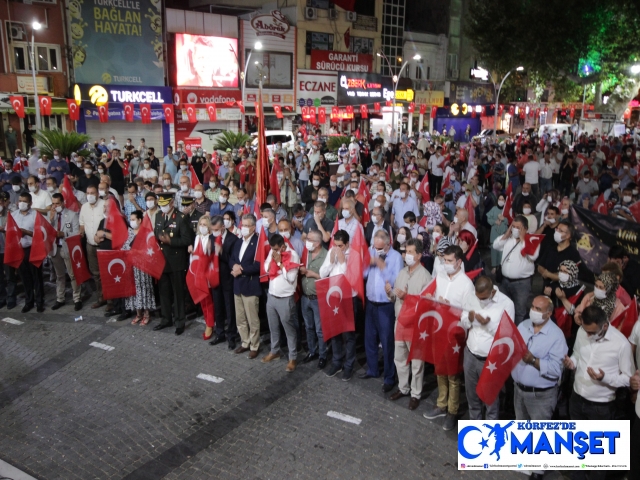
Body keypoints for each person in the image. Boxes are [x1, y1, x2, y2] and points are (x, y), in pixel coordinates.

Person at [563, 305, 634, 478]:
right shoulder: (582, 331)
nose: (587, 335)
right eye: (586, 331)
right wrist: (572, 363)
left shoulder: (621, 344)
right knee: (578, 446)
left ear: (604, 326)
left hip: (601, 407)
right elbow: (578, 354)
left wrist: (605, 378)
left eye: (592, 332)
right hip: (577, 398)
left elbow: (628, 378)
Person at [423, 245, 479, 431]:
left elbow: (468, 313)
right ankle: (441, 404)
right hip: (439, 328)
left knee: (453, 374)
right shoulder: (440, 276)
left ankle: (452, 411)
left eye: (449, 261)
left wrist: (451, 308)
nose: (446, 264)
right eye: (444, 261)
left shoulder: (466, 284)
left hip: (454, 333)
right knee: (439, 368)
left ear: (459, 262)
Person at [512, 296, 568, 480]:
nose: (533, 310)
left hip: (541, 395)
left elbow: (555, 370)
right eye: (533, 306)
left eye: (538, 308)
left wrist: (534, 361)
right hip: (519, 389)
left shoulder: (556, 336)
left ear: (549, 313)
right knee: (523, 426)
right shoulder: (523, 326)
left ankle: (538, 470)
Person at [462, 276, 515, 420]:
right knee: (472, 398)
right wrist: (470, 319)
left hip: (490, 360)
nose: (480, 301)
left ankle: (490, 435)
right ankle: (475, 430)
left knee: (490, 401)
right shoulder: (471, 297)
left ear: (492, 292)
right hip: (470, 355)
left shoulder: (506, 304)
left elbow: (506, 336)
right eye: (478, 297)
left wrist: (487, 324)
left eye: (484, 298)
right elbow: (463, 321)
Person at [388, 238, 431, 410]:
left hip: (415, 325)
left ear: (419, 255)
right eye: (406, 251)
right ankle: (403, 388)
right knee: (400, 358)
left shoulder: (426, 277)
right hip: (400, 322)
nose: (407, 255)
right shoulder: (402, 273)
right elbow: (394, 298)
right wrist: (390, 294)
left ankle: (415, 394)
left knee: (417, 362)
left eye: (411, 252)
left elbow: (426, 305)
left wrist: (407, 298)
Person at [360, 230, 404, 391]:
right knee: (369, 339)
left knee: (387, 342)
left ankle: (389, 377)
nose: (376, 250)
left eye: (379, 248)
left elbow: (396, 280)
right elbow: (364, 275)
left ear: (387, 244)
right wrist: (368, 264)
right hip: (371, 302)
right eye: (374, 247)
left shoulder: (396, 257)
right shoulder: (371, 251)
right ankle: (372, 369)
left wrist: (382, 266)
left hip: (386, 305)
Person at [319, 229, 359, 381]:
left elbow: (350, 280)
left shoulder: (354, 255)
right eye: (335, 245)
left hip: (348, 298)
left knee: (348, 335)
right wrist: (330, 261)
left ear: (347, 244)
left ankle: (348, 366)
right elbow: (322, 274)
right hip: (333, 298)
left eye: (340, 246)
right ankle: (337, 362)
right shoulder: (332, 252)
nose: (337, 248)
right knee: (335, 333)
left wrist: (342, 262)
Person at [152, 193, 194, 336]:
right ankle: (166, 319)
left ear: (171, 204)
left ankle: (179, 321)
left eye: (164, 205)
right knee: (164, 292)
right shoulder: (159, 216)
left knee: (178, 293)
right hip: (162, 261)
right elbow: (155, 234)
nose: (162, 207)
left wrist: (171, 242)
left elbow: (187, 239)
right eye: (161, 205)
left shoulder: (181, 218)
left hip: (176, 261)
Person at [261, 233, 300, 372]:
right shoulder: (273, 251)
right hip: (272, 296)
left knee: (289, 329)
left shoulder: (293, 255)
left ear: (283, 246)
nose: (274, 251)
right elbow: (266, 267)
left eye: (276, 249)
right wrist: (272, 262)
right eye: (272, 249)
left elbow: (290, 277)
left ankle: (292, 357)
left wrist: (279, 263)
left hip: (285, 298)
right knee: (273, 327)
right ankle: (274, 351)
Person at [492, 215, 540, 325]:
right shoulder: (508, 239)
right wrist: (507, 233)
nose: (515, 229)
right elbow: (495, 245)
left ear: (525, 229)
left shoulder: (532, 241)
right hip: (505, 281)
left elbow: (533, 256)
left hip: (522, 284)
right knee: (502, 307)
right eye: (513, 226)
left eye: (518, 227)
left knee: (519, 311)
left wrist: (523, 239)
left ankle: (518, 333)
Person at [229, 214, 262, 358]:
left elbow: (259, 266)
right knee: (240, 318)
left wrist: (241, 269)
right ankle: (245, 342)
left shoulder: (258, 243)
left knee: (252, 319)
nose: (243, 228)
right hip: (237, 285)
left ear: (253, 228)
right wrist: (234, 265)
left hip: (250, 284)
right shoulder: (238, 241)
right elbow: (232, 258)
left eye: (247, 226)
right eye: (242, 225)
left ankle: (255, 345)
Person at [299, 230, 328, 369]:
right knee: (308, 327)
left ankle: (323, 355)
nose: (307, 241)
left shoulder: (326, 256)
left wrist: (314, 275)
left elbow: (330, 279)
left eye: (309, 239)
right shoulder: (306, 253)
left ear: (317, 243)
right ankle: (312, 351)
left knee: (320, 330)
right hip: (305, 297)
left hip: (318, 298)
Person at [210, 215, 239, 349]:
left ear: (223, 227)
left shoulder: (233, 239)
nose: (214, 231)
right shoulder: (211, 238)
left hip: (228, 279)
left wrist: (221, 252)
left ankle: (231, 335)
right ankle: (220, 332)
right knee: (218, 307)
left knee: (230, 309)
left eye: (216, 229)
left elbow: (233, 261)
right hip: (215, 278)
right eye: (212, 229)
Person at [49, 194, 82, 311]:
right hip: (55, 248)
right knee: (59, 275)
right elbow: (47, 231)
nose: (55, 206)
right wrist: (51, 219)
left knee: (72, 275)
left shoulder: (72, 215)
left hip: (67, 247)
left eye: (57, 203)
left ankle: (77, 298)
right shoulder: (51, 215)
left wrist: (64, 234)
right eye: (53, 203)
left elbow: (76, 233)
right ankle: (60, 298)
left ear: (62, 203)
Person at [123, 210, 156, 326]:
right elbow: (124, 247)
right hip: (131, 268)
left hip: (143, 268)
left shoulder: (146, 233)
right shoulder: (129, 233)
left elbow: (150, 249)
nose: (131, 222)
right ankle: (138, 313)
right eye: (130, 219)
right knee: (133, 290)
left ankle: (147, 314)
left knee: (144, 290)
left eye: (133, 219)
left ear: (140, 220)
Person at [79, 185, 106, 308]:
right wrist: (80, 232)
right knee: (96, 274)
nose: (90, 195)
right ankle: (101, 298)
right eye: (88, 192)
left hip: (104, 246)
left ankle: (111, 301)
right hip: (90, 245)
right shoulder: (84, 207)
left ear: (97, 193)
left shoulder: (104, 204)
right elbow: (82, 224)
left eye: (92, 192)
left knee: (106, 272)